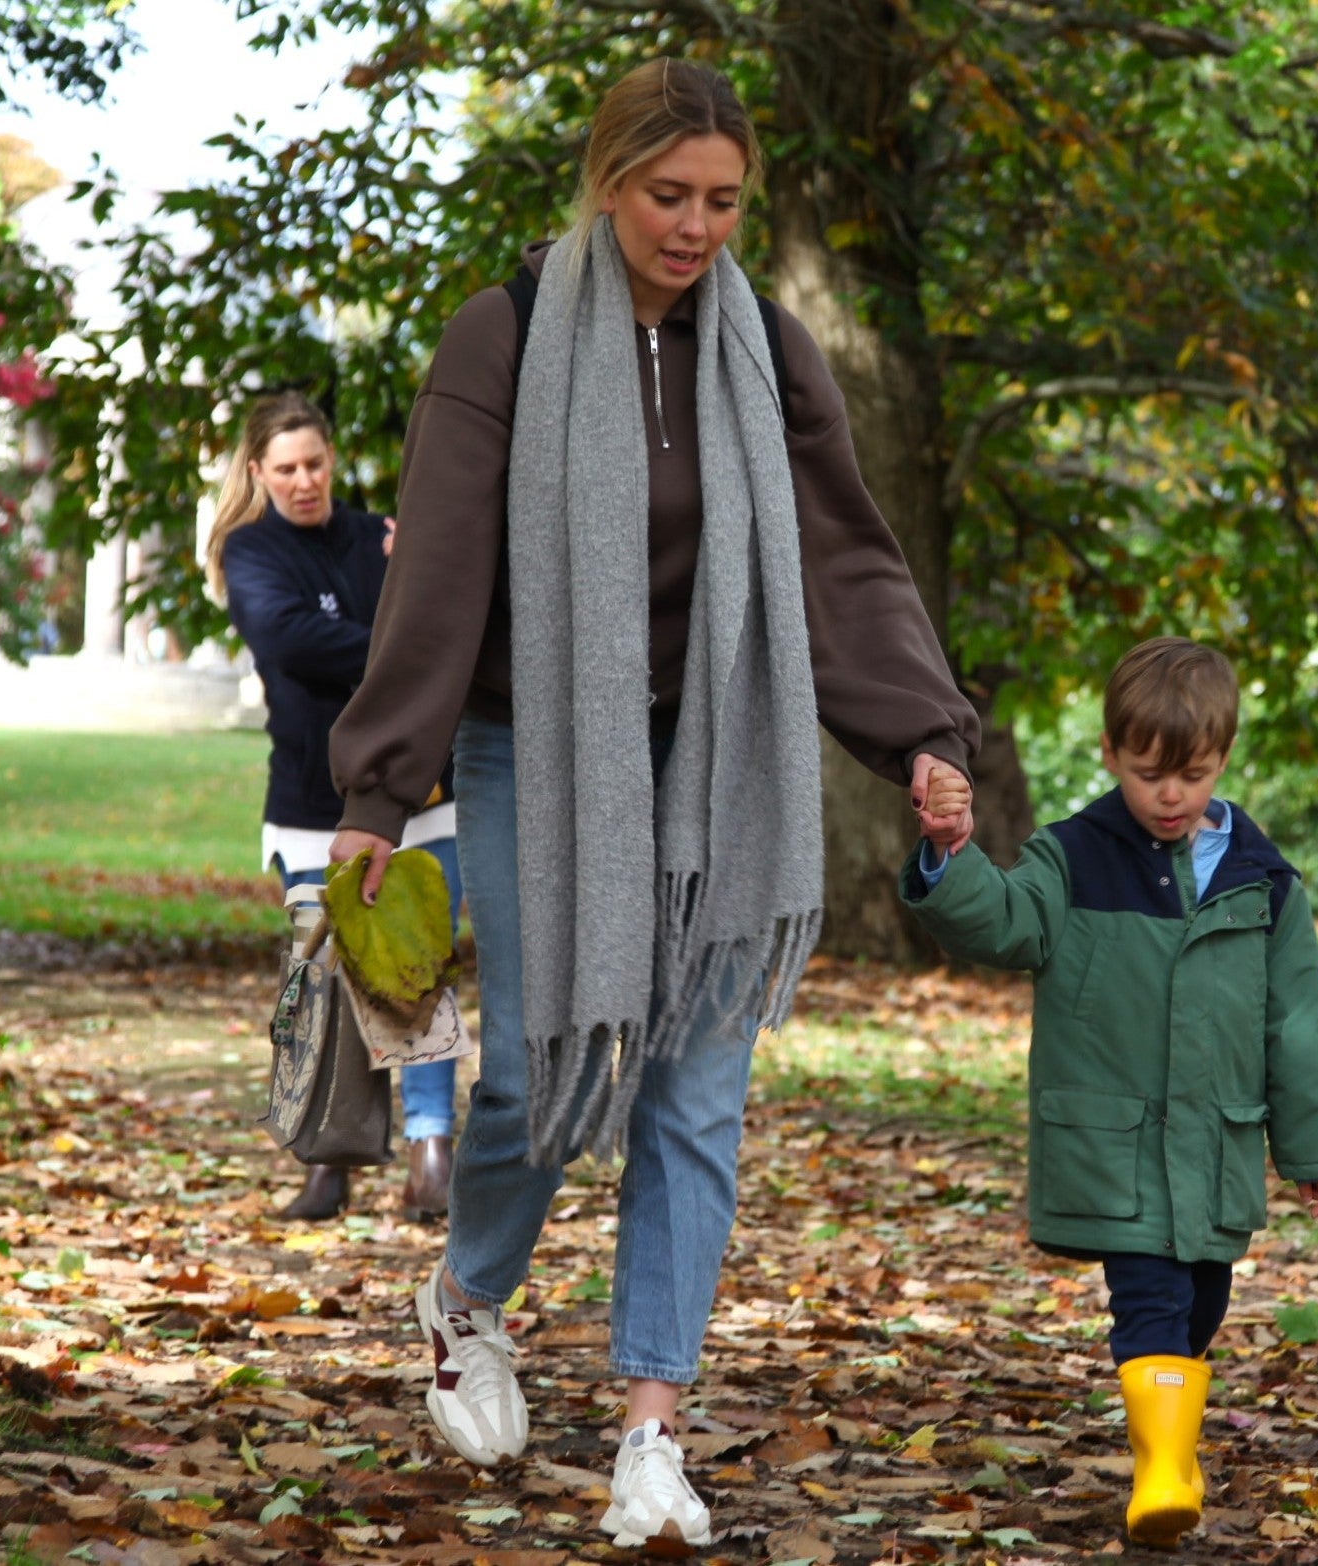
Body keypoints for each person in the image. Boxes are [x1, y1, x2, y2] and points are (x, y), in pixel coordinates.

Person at [324, 58, 978, 1549]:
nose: (695, 229)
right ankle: (467, 1297)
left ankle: (648, 1434)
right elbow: (435, 574)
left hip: (722, 755)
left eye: (723, 202)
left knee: (694, 1092)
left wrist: (923, 734)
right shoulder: (503, 335)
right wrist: (377, 782)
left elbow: (844, 553)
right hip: (528, 750)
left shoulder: (766, 350)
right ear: (608, 181)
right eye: (668, 196)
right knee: (541, 1077)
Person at [898, 637, 1318, 1548]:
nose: (1171, 794)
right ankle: (1158, 1474)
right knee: (1148, 1299)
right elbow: (1006, 923)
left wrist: (1310, 1148)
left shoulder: (1261, 881)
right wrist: (952, 857)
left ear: (1222, 758)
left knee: (1203, 1306)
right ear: (1110, 753)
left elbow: (1296, 1023)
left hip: (1217, 1144)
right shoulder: (1074, 858)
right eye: (1150, 774)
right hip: (1118, 1146)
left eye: (1192, 774)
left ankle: (1173, 1445)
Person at [209, 391, 463, 1224]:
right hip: (311, 805)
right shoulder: (250, 552)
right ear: (258, 473)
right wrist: (397, 639)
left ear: (332, 459)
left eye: (315, 463)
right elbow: (289, 641)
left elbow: (444, 621)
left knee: (413, 980)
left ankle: (432, 1152)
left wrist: (398, 624)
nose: (305, 481)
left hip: (417, 796)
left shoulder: (376, 537)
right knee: (318, 988)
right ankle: (328, 1162)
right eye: (285, 469)